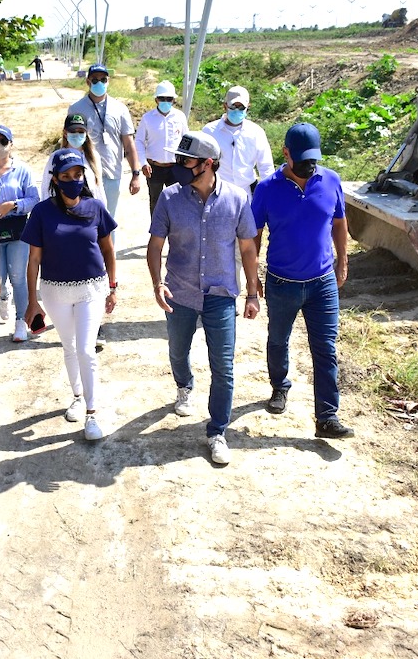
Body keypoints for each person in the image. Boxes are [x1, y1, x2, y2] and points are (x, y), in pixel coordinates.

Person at [146, 131, 260, 466]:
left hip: (221, 294)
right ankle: (184, 385)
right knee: (177, 352)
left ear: (207, 164)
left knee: (223, 367)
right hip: (179, 293)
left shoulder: (237, 200)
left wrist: (252, 293)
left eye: (186, 160)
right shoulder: (169, 198)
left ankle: (217, 431)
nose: (179, 165)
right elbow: (155, 246)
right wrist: (157, 284)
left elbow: (248, 248)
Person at [250, 122, 354, 439]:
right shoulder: (267, 189)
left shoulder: (330, 180)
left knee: (325, 349)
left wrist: (342, 261)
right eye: (303, 159)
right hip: (282, 282)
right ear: (286, 154)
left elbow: (340, 223)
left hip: (322, 283)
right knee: (278, 341)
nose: (311, 165)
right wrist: (253, 279)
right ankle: (279, 386)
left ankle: (327, 418)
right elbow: (253, 236)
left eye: (314, 158)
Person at [23, 148, 118, 441]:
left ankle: (92, 414)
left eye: (77, 175)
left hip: (92, 288)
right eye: (66, 176)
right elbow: (34, 260)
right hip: (55, 291)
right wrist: (32, 301)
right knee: (69, 346)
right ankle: (77, 395)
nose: (73, 180)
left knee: (86, 350)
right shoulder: (41, 212)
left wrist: (113, 287)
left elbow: (108, 249)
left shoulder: (95, 207)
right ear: (55, 179)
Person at [67, 63, 141, 348]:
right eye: (95, 79)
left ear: (109, 81)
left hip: (110, 176)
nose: (99, 83)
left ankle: (108, 274)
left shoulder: (120, 109)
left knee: (107, 226)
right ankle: (84, 268)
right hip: (83, 176)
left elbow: (129, 144)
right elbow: (69, 140)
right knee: (82, 225)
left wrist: (135, 173)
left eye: (103, 79)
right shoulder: (77, 107)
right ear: (87, 81)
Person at [0, 125, 40, 341]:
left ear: (11, 145)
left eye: (4, 141)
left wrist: (13, 205)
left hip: (18, 228)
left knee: (19, 276)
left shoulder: (22, 170)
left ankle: (21, 322)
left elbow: (34, 199)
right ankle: (4, 296)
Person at [201, 86, 276, 199]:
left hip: (247, 194)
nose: (237, 110)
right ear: (225, 106)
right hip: (218, 194)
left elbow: (266, 166)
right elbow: (201, 164)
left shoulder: (256, 132)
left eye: (241, 107)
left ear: (248, 107)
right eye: (233, 106)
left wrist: (269, 194)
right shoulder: (209, 131)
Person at [135, 80, 189, 216]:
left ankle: (175, 233)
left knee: (177, 202)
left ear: (174, 100)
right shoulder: (147, 118)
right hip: (154, 168)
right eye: (162, 98)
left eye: (169, 99)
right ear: (156, 99)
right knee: (156, 203)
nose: (165, 101)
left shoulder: (180, 117)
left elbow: (187, 141)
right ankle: (157, 234)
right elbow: (139, 141)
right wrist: (143, 163)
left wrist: (186, 164)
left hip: (175, 168)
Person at [39, 113, 107, 206]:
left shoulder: (93, 156)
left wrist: (103, 211)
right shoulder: (56, 157)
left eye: (81, 131)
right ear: (65, 133)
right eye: (73, 131)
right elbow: (46, 187)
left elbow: (98, 189)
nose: (77, 134)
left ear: (86, 133)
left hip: (88, 209)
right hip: (63, 210)